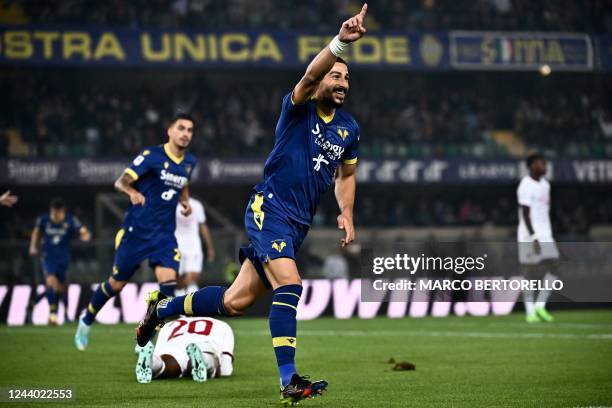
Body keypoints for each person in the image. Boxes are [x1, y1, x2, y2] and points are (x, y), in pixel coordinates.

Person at [136, 4, 368, 405]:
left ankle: (162, 311)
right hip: (270, 208)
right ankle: (288, 379)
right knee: (291, 284)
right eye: (336, 74)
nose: (342, 79)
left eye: (346, 76)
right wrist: (339, 44)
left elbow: (346, 176)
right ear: (320, 83)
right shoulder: (297, 110)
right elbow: (311, 73)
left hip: (297, 224)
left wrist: (346, 211)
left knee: (235, 301)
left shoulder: (350, 129)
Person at [74, 113, 197, 350]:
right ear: (169, 131)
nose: (185, 133)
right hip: (137, 232)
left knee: (168, 285)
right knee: (116, 284)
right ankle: (86, 319)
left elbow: (184, 183)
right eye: (181, 128)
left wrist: (185, 200)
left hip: (164, 235)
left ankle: (148, 336)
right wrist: (131, 192)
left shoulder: (190, 162)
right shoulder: (152, 156)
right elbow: (121, 181)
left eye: (190, 130)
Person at [29, 198, 91, 325]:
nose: (56, 214)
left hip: (64, 258)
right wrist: (32, 246)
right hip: (48, 258)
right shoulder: (44, 220)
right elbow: (35, 233)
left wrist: (85, 237)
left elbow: (84, 231)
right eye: (54, 211)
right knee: (51, 282)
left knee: (62, 287)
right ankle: (53, 313)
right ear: (51, 210)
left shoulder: (69, 220)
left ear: (62, 210)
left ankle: (66, 314)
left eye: (58, 211)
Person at [517, 153, 560, 323]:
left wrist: (547, 234)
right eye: (541, 163)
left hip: (545, 233)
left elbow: (543, 212)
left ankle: (540, 305)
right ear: (532, 165)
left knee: (555, 266)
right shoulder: (525, 185)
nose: (545, 166)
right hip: (529, 234)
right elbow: (526, 214)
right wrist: (533, 236)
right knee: (529, 272)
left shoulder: (545, 185)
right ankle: (530, 312)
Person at [135, 316, 234, 384]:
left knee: (165, 363)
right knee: (211, 359)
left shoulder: (169, 324)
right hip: (203, 344)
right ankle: (202, 359)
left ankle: (153, 364)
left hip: (174, 346)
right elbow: (226, 369)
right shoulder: (222, 325)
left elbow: (158, 352)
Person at [175, 197, 215, 295]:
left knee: (193, 277)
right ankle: (180, 301)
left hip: (193, 246)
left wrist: (210, 247)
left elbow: (203, 226)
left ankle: (191, 304)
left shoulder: (196, 205)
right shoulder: (172, 205)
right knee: (178, 281)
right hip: (177, 245)